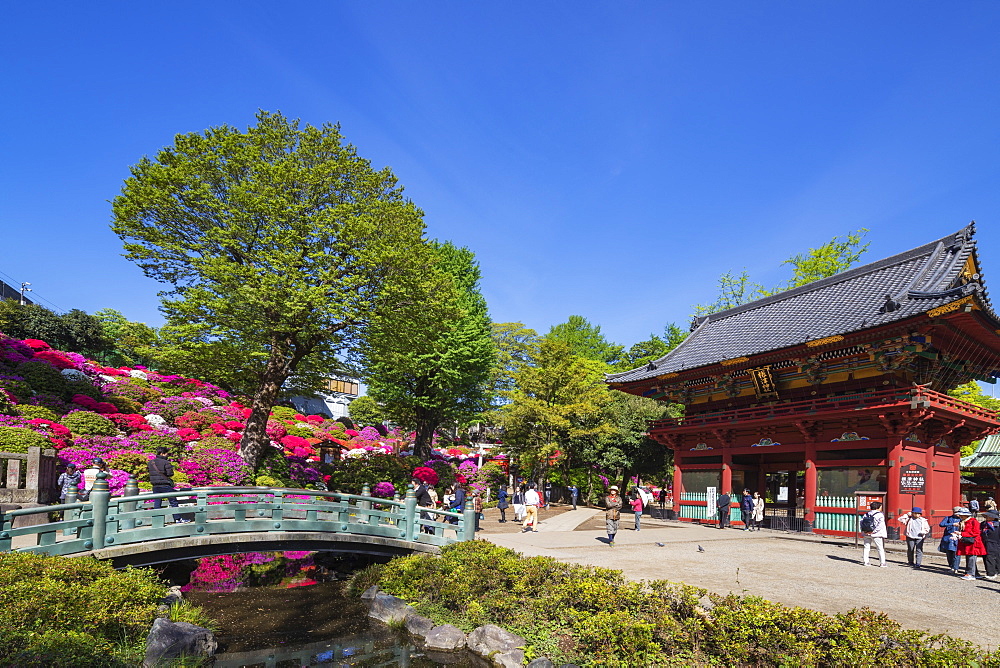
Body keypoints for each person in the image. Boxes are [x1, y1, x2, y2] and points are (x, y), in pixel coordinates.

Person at [148, 447, 187, 523]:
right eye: (166, 453)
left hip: (155, 486)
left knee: (157, 503)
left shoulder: (151, 462)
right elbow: (170, 474)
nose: (167, 455)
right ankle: (177, 519)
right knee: (173, 502)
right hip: (165, 485)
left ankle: (157, 521)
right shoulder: (165, 462)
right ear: (162, 453)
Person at [956, 508, 986, 580]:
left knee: (971, 558)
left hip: (973, 542)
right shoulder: (963, 522)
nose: (960, 516)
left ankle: (970, 573)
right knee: (969, 557)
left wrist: (962, 533)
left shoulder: (973, 521)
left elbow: (976, 532)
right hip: (967, 542)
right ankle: (975, 573)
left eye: (962, 515)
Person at [860, 501, 887, 567]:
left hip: (866, 533)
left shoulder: (866, 514)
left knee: (866, 547)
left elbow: (861, 522)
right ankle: (882, 563)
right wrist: (873, 531)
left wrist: (865, 531)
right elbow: (881, 525)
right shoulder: (880, 515)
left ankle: (866, 562)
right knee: (880, 548)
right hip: (876, 534)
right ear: (878, 507)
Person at [939, 506, 964, 573]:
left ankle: (956, 568)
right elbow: (941, 524)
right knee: (949, 553)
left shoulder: (962, 519)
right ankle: (951, 566)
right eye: (956, 512)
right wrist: (952, 524)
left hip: (958, 537)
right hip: (948, 537)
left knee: (956, 553)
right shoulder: (948, 518)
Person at [979, 509, 999, 580]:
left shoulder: (997, 525)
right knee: (986, 557)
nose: (987, 517)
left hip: (995, 542)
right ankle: (991, 571)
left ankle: (992, 573)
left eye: (988, 516)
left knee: (991, 557)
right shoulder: (983, 524)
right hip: (984, 542)